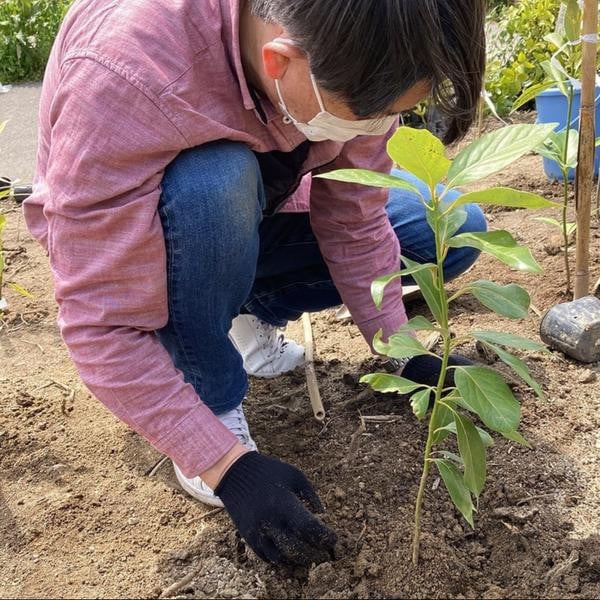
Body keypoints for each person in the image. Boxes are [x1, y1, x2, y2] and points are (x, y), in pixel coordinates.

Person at [23, 0, 486, 567]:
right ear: (278, 60)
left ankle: (240, 308)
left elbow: (357, 222)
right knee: (216, 184)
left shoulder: (357, 50)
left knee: (450, 229)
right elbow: (101, 322)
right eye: (368, 115)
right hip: (147, 235)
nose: (377, 128)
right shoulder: (125, 71)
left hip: (261, 208)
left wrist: (404, 349)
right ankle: (206, 389)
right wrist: (227, 468)